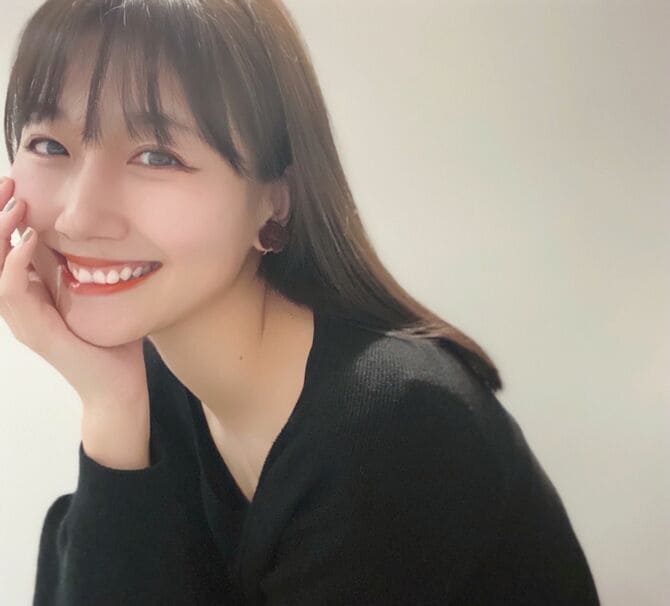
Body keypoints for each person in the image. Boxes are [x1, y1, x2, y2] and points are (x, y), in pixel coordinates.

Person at [0, 1, 600, 604]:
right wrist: (111, 409)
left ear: (276, 200)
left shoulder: (393, 431)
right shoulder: (159, 382)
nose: (78, 217)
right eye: (49, 145)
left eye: (157, 156)